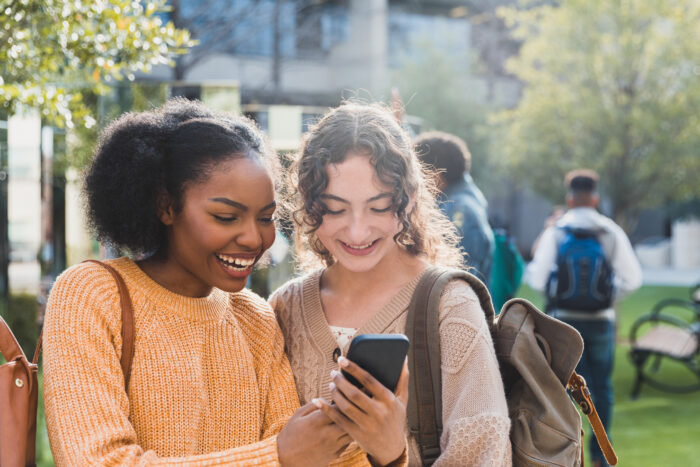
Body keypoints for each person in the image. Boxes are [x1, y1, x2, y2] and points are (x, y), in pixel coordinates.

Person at [42, 98, 408, 466]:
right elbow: (97, 461)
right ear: (165, 206)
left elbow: (305, 458)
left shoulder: (255, 320)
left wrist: (386, 452)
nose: (254, 238)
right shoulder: (91, 295)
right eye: (226, 216)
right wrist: (276, 457)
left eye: (265, 218)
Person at [270, 103, 511, 466]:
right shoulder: (283, 307)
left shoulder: (451, 309)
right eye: (334, 208)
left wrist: (392, 454)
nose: (357, 231)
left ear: (409, 199)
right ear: (307, 202)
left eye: (379, 206)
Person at [526, 169, 642, 467]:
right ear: (595, 198)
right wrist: (604, 297)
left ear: (569, 199)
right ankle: (601, 454)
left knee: (564, 388)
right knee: (601, 386)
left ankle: (568, 451)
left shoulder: (557, 231)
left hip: (563, 321)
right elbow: (632, 279)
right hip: (601, 320)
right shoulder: (610, 231)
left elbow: (537, 278)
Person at [413, 132, 494, 288]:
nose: (412, 182)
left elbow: (458, 284)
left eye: (416, 173)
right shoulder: (465, 201)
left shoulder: (459, 212)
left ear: (435, 176)